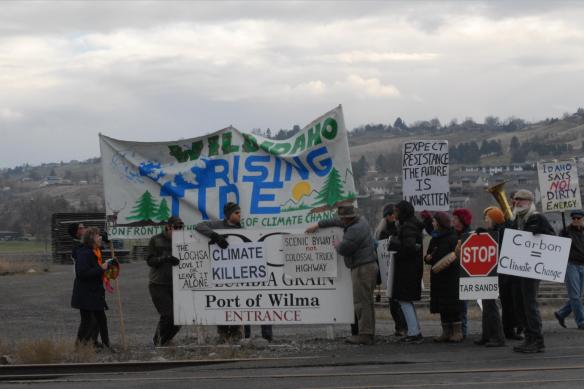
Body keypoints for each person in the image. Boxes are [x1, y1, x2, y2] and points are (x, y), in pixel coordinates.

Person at [195, 202, 273, 343]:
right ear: (229, 214)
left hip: (240, 274)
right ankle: (226, 335)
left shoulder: (242, 230)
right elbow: (199, 226)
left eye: (239, 212)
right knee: (225, 305)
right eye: (236, 213)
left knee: (246, 303)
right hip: (222, 274)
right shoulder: (217, 225)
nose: (239, 215)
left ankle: (247, 335)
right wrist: (215, 236)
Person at [306, 202, 378, 345]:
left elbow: (344, 249)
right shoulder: (360, 221)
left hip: (362, 268)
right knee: (367, 301)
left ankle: (365, 335)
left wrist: (337, 244)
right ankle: (368, 332)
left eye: (343, 218)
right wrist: (319, 224)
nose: (341, 220)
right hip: (368, 265)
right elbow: (337, 221)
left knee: (361, 302)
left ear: (348, 218)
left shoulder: (354, 230)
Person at [511, 189, 554, 353]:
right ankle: (529, 337)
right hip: (519, 268)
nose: (517, 202)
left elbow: (551, 236)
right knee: (520, 304)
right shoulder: (517, 219)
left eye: (521, 200)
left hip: (532, 269)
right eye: (515, 200)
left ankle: (537, 339)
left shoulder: (537, 217)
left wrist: (540, 234)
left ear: (529, 202)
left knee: (529, 304)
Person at [425, 212, 464, 343]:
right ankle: (446, 332)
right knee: (442, 306)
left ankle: (457, 332)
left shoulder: (452, 238)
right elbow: (428, 256)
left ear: (440, 223)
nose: (432, 223)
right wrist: (427, 258)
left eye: (434, 221)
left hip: (451, 277)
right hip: (438, 277)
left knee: (452, 304)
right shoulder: (434, 239)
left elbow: (458, 257)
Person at [388, 201, 424, 343]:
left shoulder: (407, 226)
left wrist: (395, 245)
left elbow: (409, 248)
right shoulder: (413, 224)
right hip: (411, 268)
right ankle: (414, 330)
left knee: (404, 299)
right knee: (406, 300)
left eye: (396, 211)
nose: (395, 214)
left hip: (407, 269)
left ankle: (414, 332)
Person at [71, 227, 111, 349]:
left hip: (95, 292)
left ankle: (106, 346)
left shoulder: (95, 251)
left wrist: (109, 270)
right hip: (85, 293)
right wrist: (102, 268)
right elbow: (81, 273)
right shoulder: (84, 253)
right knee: (88, 322)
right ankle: (79, 348)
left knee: (101, 320)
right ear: (91, 238)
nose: (100, 238)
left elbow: (97, 269)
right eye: (98, 236)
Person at [147, 216, 183, 346]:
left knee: (180, 317)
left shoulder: (183, 240)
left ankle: (166, 340)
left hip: (177, 284)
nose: (178, 230)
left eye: (180, 227)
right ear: (168, 227)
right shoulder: (156, 240)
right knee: (168, 315)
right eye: (176, 227)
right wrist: (165, 258)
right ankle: (158, 341)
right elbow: (150, 261)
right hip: (158, 284)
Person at [473, 207, 506, 347]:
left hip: (495, 272)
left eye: (487, 217)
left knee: (491, 305)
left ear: (493, 219)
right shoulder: (496, 232)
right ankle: (487, 335)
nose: (485, 220)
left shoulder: (501, 232)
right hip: (489, 272)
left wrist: (486, 234)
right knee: (487, 304)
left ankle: (498, 337)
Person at [374, 203, 407, 337]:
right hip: (390, 268)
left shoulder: (381, 231)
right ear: (389, 216)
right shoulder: (387, 231)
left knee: (394, 301)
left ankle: (401, 327)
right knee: (394, 301)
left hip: (391, 269)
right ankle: (401, 327)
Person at [554, 210, 584, 329]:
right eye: (574, 218)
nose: (576, 220)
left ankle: (561, 313)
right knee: (575, 296)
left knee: (578, 296)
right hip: (571, 265)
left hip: (583, 265)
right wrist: (563, 237)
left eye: (578, 218)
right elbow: (559, 244)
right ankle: (581, 321)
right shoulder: (566, 231)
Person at [452, 208, 473, 339]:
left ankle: (463, 331)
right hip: (455, 273)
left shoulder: (469, 234)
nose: (453, 221)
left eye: (455, 219)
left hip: (465, 274)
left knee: (462, 304)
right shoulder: (454, 233)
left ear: (462, 221)